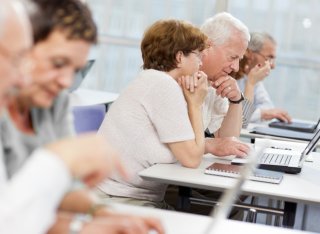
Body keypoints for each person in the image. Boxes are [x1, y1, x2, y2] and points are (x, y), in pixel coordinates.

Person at [0, 0, 164, 234]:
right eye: (58, 63)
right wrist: (60, 159)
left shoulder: (54, 100)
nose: (66, 81)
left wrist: (100, 215)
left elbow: (62, 188)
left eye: (76, 69)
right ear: (25, 45)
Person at [96, 19, 208, 208]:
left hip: (120, 193)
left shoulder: (152, 80)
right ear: (180, 57)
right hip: (119, 198)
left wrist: (191, 101)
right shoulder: (163, 86)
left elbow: (187, 146)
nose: (201, 63)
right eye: (198, 55)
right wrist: (195, 105)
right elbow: (192, 158)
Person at [199, 12, 251, 157]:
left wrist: (236, 100)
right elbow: (176, 143)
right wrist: (209, 144)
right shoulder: (179, 77)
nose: (236, 67)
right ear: (208, 45)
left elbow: (227, 141)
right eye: (233, 57)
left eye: (239, 59)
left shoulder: (214, 81)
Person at [233, 32, 292, 125]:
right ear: (249, 53)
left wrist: (260, 113)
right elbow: (242, 119)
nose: (272, 65)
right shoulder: (229, 75)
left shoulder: (251, 76)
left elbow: (268, 107)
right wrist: (262, 114)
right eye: (269, 58)